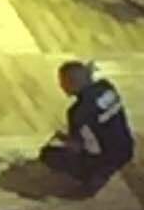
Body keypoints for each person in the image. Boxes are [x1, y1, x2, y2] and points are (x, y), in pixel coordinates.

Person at [42, 60, 134, 188]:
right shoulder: (107, 87)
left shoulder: (78, 112)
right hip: (126, 148)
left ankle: (94, 174)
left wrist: (63, 140)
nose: (61, 86)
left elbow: (80, 146)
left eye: (62, 82)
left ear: (71, 82)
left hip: (104, 158)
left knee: (49, 154)